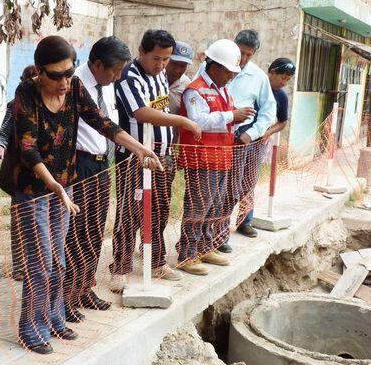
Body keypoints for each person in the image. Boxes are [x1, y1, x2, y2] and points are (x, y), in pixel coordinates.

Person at [7, 35, 161, 354]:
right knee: (40, 262)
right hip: (34, 190)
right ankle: (31, 328)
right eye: (57, 75)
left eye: (70, 72)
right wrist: (54, 186)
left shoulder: (75, 88)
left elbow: (103, 123)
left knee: (58, 259)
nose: (65, 81)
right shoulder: (26, 94)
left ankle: (53, 317)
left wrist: (139, 149)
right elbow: (28, 149)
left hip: (64, 185)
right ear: (40, 71)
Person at [110, 30, 203, 292]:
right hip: (135, 156)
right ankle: (120, 268)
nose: (161, 65)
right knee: (129, 212)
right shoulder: (128, 76)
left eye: (165, 59)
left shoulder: (160, 75)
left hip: (163, 154)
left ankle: (156, 261)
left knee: (160, 209)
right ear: (142, 51)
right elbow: (141, 113)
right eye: (156, 58)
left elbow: (159, 107)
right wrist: (183, 121)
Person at [62, 37, 132, 322]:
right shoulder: (75, 84)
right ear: (98, 64)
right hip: (80, 164)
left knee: (94, 229)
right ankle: (66, 295)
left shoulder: (108, 83)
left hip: (104, 164)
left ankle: (84, 288)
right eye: (115, 70)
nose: (118, 76)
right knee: (75, 232)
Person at [175, 40, 255, 275]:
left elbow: (223, 120)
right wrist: (231, 116)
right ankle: (187, 255)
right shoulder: (195, 90)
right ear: (216, 67)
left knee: (214, 206)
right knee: (198, 207)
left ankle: (205, 247)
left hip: (221, 158)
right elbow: (197, 121)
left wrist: (237, 118)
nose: (231, 76)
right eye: (229, 71)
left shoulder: (223, 89)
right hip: (202, 159)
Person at [225, 29, 276, 243]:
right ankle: (220, 231)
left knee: (247, 181)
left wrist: (251, 134)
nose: (244, 58)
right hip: (218, 133)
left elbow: (269, 111)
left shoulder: (258, 76)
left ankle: (245, 220)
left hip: (245, 136)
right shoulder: (216, 65)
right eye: (241, 53)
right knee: (225, 185)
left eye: (249, 54)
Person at [0, 64, 37, 282]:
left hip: (47, 172)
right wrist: (0, 146)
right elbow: (4, 131)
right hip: (21, 172)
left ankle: (38, 263)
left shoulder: (54, 104)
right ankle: (19, 266)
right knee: (19, 221)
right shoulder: (15, 105)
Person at [166, 40, 195, 142]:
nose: (177, 70)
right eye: (174, 64)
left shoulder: (187, 85)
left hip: (171, 143)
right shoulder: (154, 79)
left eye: (183, 66)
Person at [263, 58, 295, 141]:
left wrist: (269, 132)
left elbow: (282, 122)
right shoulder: (257, 86)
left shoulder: (282, 96)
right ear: (272, 72)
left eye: (288, 80)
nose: (284, 83)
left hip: (259, 142)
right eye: (283, 78)